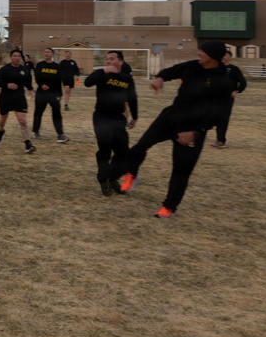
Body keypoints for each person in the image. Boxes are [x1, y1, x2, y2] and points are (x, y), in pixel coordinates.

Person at [117, 40, 232, 218]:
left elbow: (219, 114)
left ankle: (169, 207)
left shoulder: (223, 81)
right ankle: (132, 174)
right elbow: (170, 71)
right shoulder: (193, 66)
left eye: (203, 51)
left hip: (192, 130)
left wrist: (195, 133)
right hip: (170, 117)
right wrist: (160, 78)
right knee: (140, 146)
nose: (199, 53)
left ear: (213, 56)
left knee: (181, 170)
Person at [84, 50, 138, 196]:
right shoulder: (102, 74)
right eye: (107, 59)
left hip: (118, 119)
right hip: (101, 117)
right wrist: (102, 70)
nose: (108, 61)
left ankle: (112, 178)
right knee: (105, 150)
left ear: (120, 62)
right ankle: (103, 180)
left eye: (112, 59)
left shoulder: (127, 78)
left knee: (123, 152)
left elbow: (132, 98)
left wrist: (135, 116)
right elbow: (87, 83)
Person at [0, 49, 37, 153]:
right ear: (11, 57)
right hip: (5, 97)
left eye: (18, 56)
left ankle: (28, 144)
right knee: (3, 118)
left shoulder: (24, 70)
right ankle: (1, 130)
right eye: (15, 56)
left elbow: (28, 83)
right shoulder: (4, 69)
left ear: (21, 58)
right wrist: (7, 85)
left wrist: (31, 90)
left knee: (22, 120)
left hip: (19, 97)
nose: (17, 58)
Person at [211, 50, 247, 149]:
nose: (223, 56)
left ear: (230, 57)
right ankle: (218, 139)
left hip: (227, 98)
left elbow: (243, 83)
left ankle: (221, 141)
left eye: (225, 55)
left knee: (224, 118)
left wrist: (236, 91)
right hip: (217, 97)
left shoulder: (234, 69)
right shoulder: (217, 68)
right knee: (216, 118)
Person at [32, 48, 68, 142]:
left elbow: (59, 80)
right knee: (38, 113)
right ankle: (36, 132)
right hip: (41, 93)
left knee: (57, 113)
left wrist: (59, 94)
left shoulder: (57, 66)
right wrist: (41, 85)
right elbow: (37, 77)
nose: (46, 53)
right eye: (45, 52)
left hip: (53, 93)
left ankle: (60, 134)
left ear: (52, 54)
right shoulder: (40, 65)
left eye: (48, 52)